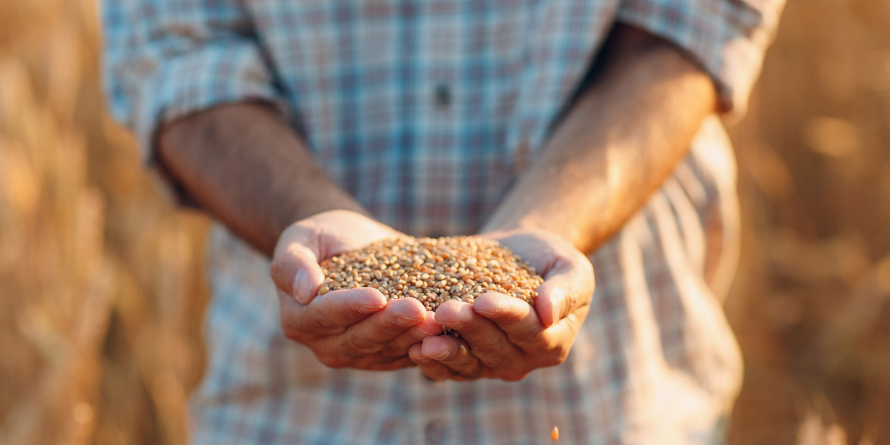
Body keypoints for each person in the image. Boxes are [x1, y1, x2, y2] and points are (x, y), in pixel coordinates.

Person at [104, 1, 784, 443]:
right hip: (291, 412)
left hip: (613, 403)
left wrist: (551, 220)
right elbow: (178, 53)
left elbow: (688, 29)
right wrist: (306, 216)